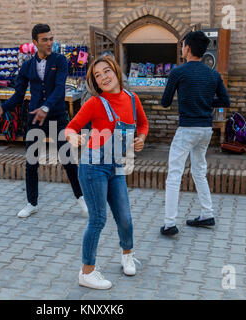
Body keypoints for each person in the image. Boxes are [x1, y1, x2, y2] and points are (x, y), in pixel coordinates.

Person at [65, 55, 149, 290]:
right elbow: (71, 127)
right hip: (93, 166)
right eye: (97, 76)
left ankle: (127, 255)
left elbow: (142, 124)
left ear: (115, 71)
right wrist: (74, 136)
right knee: (98, 219)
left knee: (124, 217)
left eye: (106, 71)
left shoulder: (132, 99)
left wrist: (141, 138)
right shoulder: (94, 103)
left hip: (116, 166)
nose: (103, 77)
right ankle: (87, 272)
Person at [0, 24, 87, 218]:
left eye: (51, 38)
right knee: (31, 161)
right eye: (45, 39)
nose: (49, 43)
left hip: (57, 116)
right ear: (35, 42)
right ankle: (31, 203)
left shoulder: (60, 60)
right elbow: (18, 95)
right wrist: (3, 108)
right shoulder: (26, 66)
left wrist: (46, 107)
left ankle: (82, 200)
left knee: (68, 159)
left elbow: (60, 89)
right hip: (34, 119)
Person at [160, 31, 230, 236]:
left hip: (187, 129)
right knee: (199, 170)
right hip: (205, 130)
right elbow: (225, 102)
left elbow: (164, 102)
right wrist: (207, 103)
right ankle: (207, 213)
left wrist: (185, 99)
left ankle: (169, 223)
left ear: (188, 48)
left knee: (174, 174)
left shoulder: (178, 72)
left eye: (182, 45)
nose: (182, 49)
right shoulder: (213, 74)